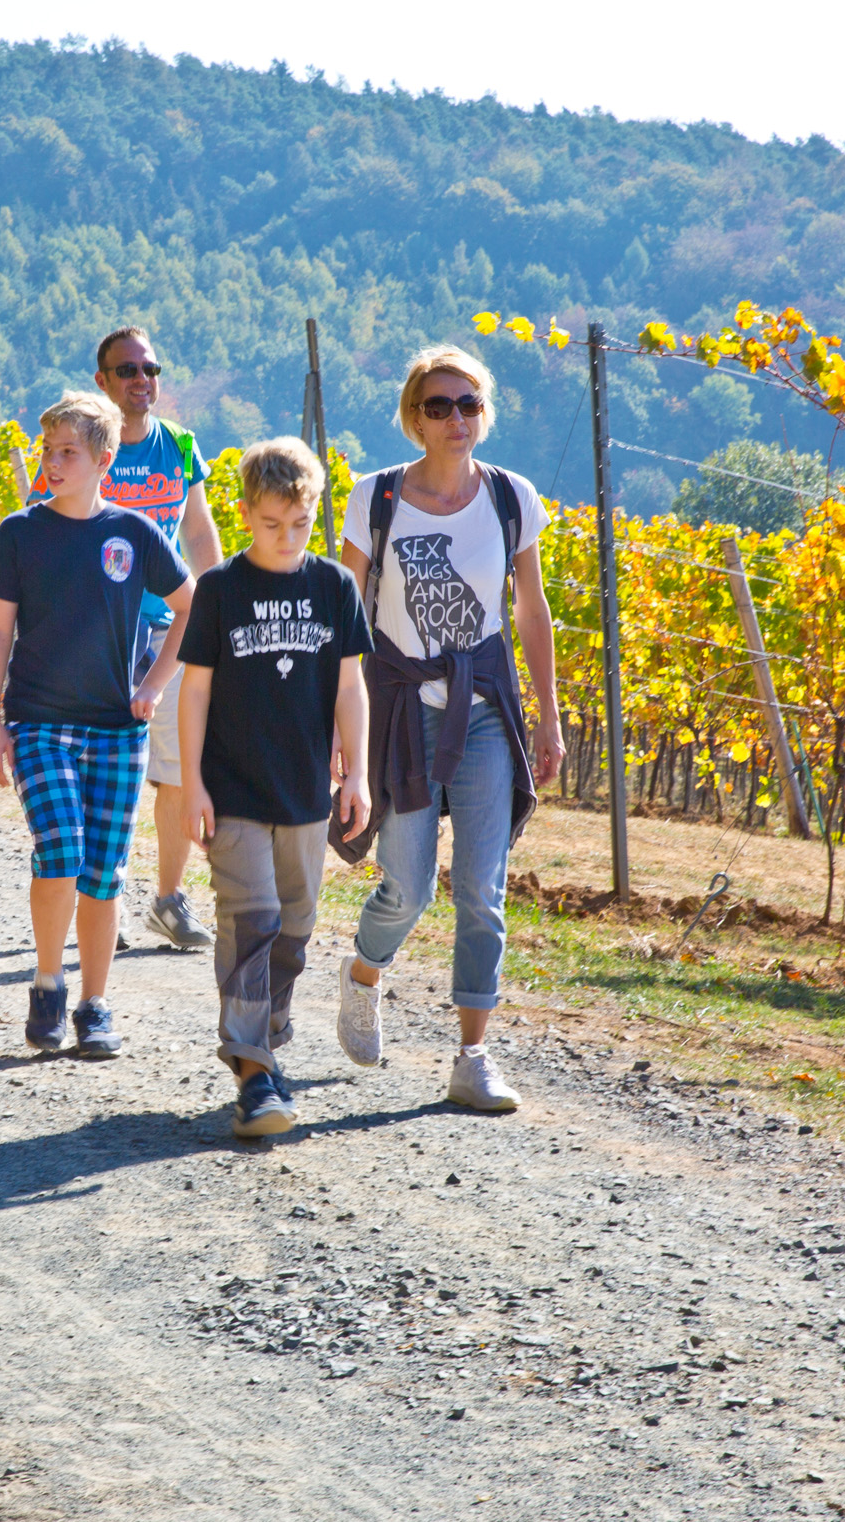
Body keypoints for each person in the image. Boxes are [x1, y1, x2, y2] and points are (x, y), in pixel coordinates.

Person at [333, 345, 566, 1113]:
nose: (457, 418)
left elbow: (531, 611)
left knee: (482, 890)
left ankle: (473, 1056)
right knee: (408, 889)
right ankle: (365, 972)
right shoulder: (374, 499)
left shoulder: (511, 498)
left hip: (486, 713)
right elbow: (345, 619)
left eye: (469, 404)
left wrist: (549, 717)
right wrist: (338, 729)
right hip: (399, 707)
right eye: (440, 406)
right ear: (414, 418)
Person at [0, 390, 194, 1059]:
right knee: (61, 850)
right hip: (41, 723)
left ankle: (95, 1005)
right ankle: (48, 982)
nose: (53, 461)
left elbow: (192, 607)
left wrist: (154, 685)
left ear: (104, 459)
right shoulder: (21, 533)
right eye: (48, 449)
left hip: (115, 729)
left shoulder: (132, 534)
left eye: (67, 451)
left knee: (104, 872)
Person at [177, 438, 370, 1137]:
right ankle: (255, 1072)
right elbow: (194, 693)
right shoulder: (221, 591)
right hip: (233, 790)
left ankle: (267, 1021)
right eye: (270, 525)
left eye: (299, 524)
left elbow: (351, 686)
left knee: (296, 925)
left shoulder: (333, 587)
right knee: (251, 918)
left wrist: (360, 773)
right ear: (244, 513)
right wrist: (193, 783)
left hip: (305, 791)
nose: (286, 539)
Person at [42, 327, 224, 951]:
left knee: (175, 768)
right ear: (102, 381)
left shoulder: (178, 445)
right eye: (126, 370)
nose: (140, 380)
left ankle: (168, 901)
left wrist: (219, 602)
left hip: (170, 627)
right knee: (96, 768)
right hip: (97, 634)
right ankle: (100, 898)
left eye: (150, 368)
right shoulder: (82, 448)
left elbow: (196, 533)